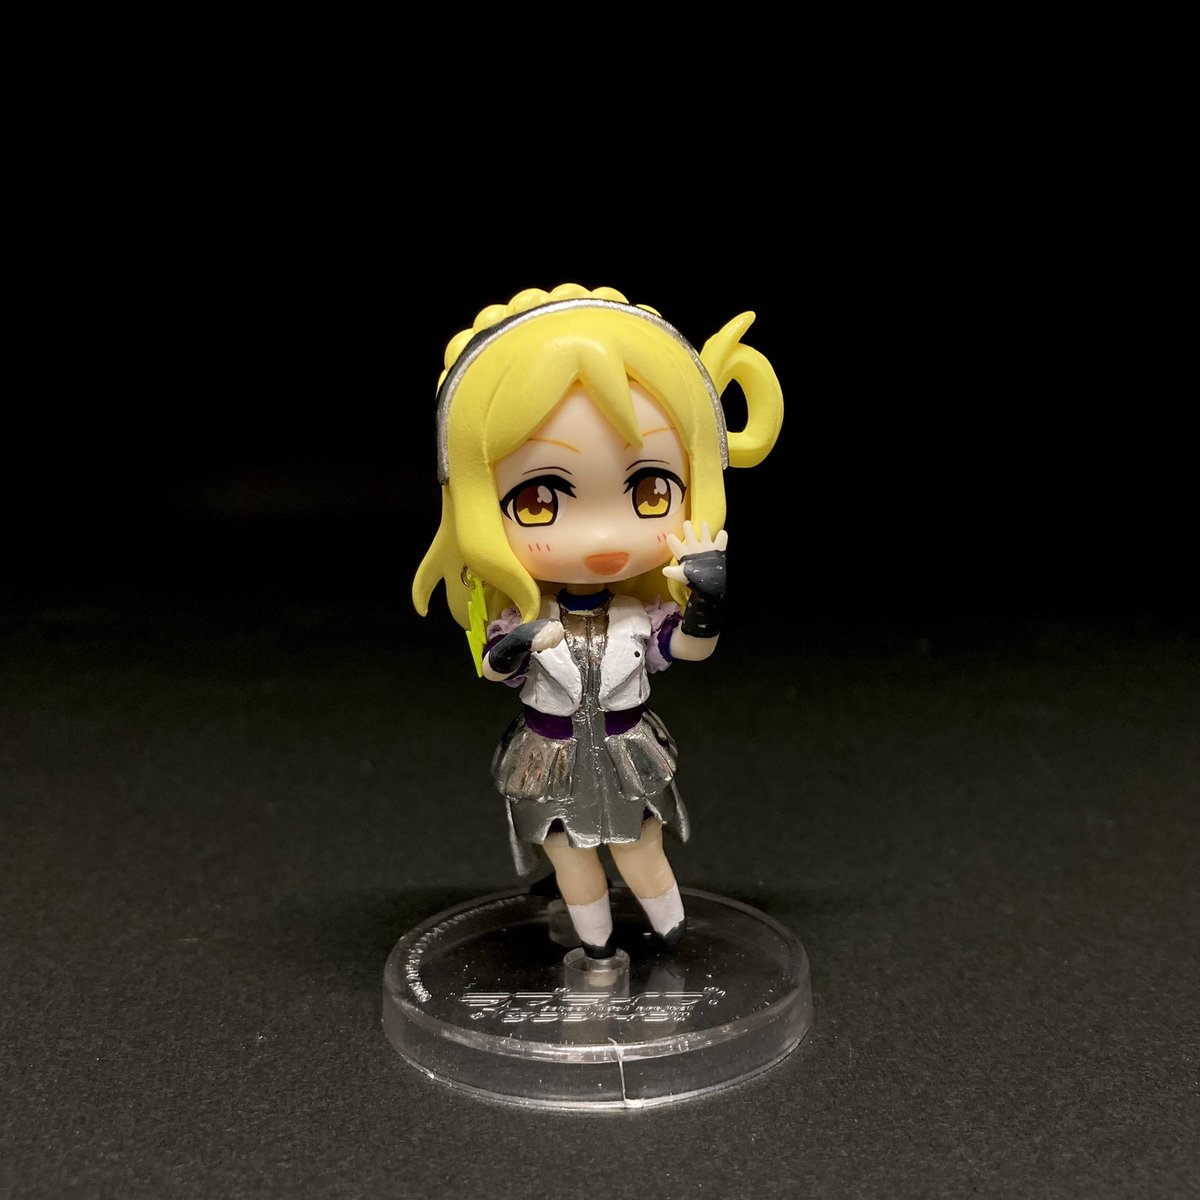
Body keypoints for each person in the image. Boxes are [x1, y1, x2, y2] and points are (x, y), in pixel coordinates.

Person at [413, 283, 783, 960]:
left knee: (641, 843)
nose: (603, 536)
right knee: (568, 853)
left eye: (650, 492)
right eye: (538, 501)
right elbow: (496, 667)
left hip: (625, 747)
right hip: (548, 753)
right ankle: (597, 947)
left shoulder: (639, 615)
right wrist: (524, 638)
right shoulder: (523, 616)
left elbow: (688, 648)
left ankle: (670, 934)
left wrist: (706, 600)